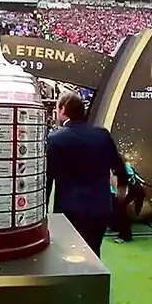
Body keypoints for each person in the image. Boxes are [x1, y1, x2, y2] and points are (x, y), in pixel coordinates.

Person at [46, 91, 128, 258]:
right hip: (100, 207)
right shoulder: (102, 135)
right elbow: (119, 166)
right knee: (94, 252)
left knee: (69, 255)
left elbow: (48, 177)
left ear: (63, 109)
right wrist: (121, 188)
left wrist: (43, 210)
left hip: (69, 210)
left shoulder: (55, 138)